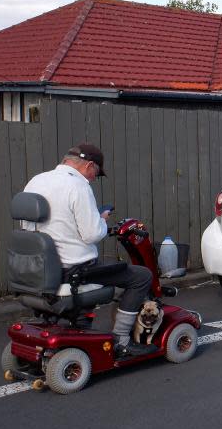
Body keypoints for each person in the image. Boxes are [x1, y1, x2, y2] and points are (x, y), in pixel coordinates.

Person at [23, 144, 155, 358]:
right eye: (96, 173)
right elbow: (92, 234)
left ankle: (81, 328)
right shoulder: (78, 186)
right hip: (74, 270)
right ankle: (122, 340)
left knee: (108, 269)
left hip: (38, 271)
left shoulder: (36, 181)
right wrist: (101, 220)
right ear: (89, 165)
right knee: (141, 276)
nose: (94, 178)